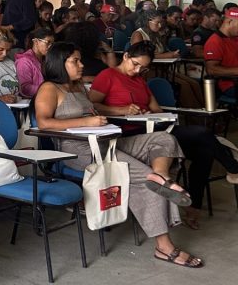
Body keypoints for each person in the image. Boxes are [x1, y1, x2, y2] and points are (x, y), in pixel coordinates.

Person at [35, 42, 202, 269]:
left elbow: (96, 110)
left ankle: (162, 177)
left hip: (107, 143)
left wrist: (112, 114)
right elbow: (44, 123)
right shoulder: (49, 88)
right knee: (145, 177)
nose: (81, 64)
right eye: (75, 60)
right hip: (79, 152)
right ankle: (164, 247)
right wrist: (87, 121)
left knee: (163, 139)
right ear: (59, 62)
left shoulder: (78, 88)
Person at [89, 41, 238, 230]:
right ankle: (233, 169)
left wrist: (151, 114)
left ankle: (193, 208)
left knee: (204, 151)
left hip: (151, 127)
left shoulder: (139, 79)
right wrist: (120, 110)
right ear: (125, 56)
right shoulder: (108, 75)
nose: (137, 70)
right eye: (135, 64)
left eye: (143, 67)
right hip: (130, 132)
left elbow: (155, 107)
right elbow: (92, 106)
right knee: (202, 133)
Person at [131, 10, 201, 107]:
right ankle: (195, 116)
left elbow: (162, 51)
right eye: (157, 23)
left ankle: (203, 111)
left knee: (194, 83)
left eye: (161, 23)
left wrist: (171, 54)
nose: (160, 26)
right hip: (147, 71)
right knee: (184, 86)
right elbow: (139, 56)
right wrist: (167, 55)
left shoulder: (156, 34)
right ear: (148, 22)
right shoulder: (138, 34)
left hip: (161, 68)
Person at [204, 7, 238, 103]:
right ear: (229, 21)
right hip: (230, 84)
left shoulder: (235, 38)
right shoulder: (215, 41)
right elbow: (211, 70)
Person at [15, 27, 54, 98]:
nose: (50, 47)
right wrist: (49, 89)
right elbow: (25, 88)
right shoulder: (24, 61)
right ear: (36, 42)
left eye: (52, 44)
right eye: (48, 42)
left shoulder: (46, 59)